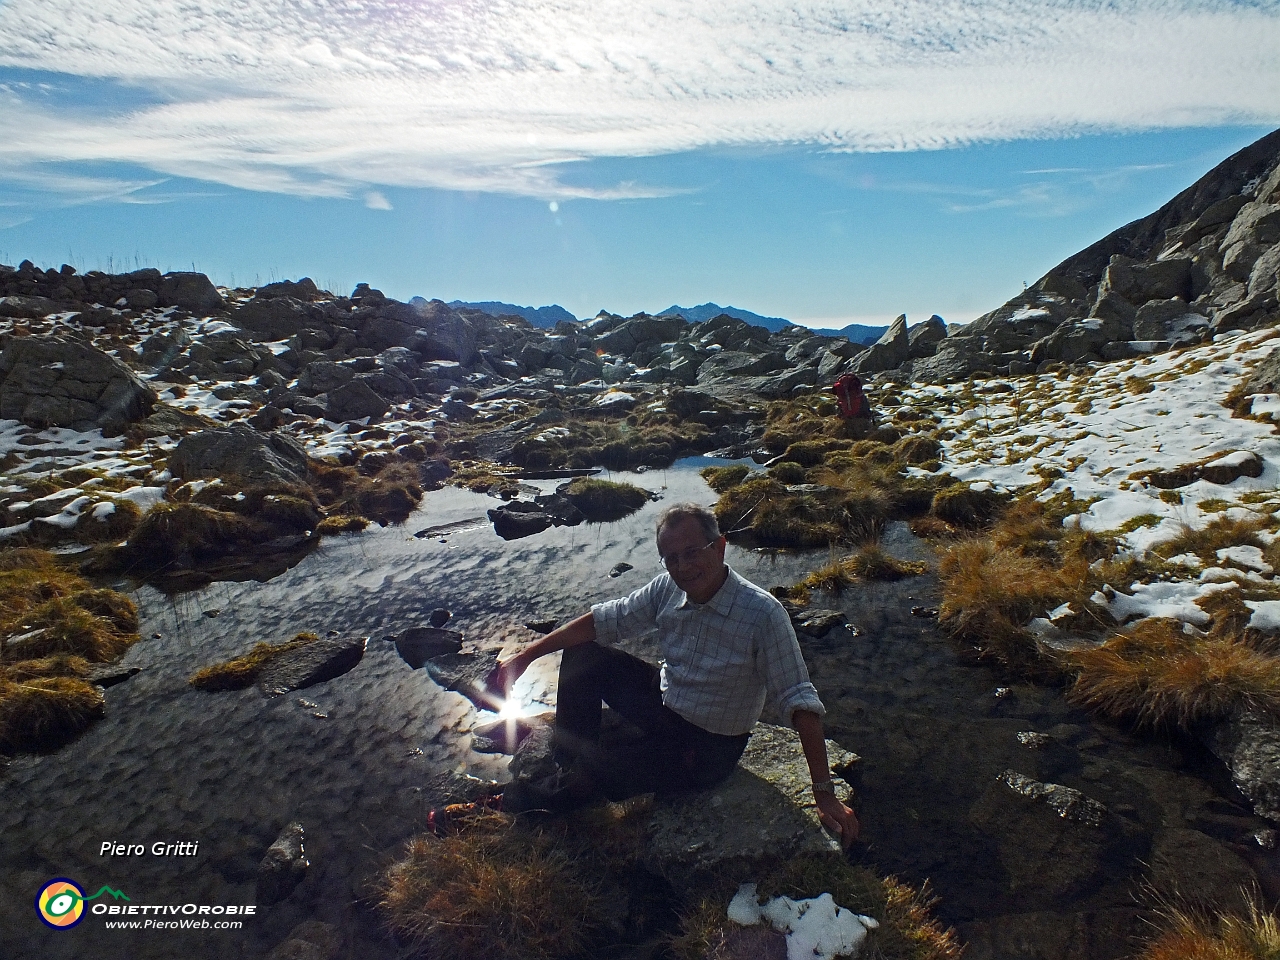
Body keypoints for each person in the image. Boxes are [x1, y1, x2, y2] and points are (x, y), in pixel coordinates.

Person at [488, 502, 860, 849]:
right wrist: (524, 658)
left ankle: (500, 809)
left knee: (599, 769)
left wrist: (824, 792)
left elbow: (798, 698)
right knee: (584, 657)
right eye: (671, 558)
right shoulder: (668, 588)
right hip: (664, 702)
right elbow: (606, 619)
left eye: (692, 552)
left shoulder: (763, 614)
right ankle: (566, 757)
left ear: (720, 547)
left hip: (706, 746)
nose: (683, 567)